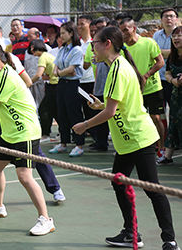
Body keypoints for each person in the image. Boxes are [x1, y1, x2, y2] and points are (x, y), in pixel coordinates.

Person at [72, 26, 179, 250]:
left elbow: (111, 113)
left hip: (139, 138)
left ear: (107, 44)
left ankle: (169, 240)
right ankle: (131, 232)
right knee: (119, 183)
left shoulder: (118, 70)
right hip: (126, 141)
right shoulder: (118, 66)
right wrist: (100, 105)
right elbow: (117, 106)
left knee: (153, 189)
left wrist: (84, 125)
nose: (92, 48)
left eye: (95, 44)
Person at [0, 30, 65, 207]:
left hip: (20, 118)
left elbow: (25, 83)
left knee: (31, 161)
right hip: (5, 115)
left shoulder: (9, 63)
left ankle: (54, 190)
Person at [119, 18, 166, 158]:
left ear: (133, 29)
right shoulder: (122, 50)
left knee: (155, 118)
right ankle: (140, 147)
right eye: (120, 31)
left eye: (125, 30)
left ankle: (161, 148)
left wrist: (146, 76)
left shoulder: (148, 42)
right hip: (135, 92)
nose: (123, 34)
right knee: (137, 120)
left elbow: (160, 62)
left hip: (153, 89)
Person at [49, 21, 86, 157]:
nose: (61, 36)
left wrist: (61, 71)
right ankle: (63, 143)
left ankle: (79, 145)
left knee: (74, 114)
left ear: (71, 33)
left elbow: (72, 69)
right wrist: (61, 72)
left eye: (64, 33)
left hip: (72, 84)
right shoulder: (62, 49)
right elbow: (55, 68)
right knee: (62, 113)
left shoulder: (76, 49)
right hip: (61, 83)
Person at [153, 8, 179, 154]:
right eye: (165, 16)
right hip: (159, 79)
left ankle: (176, 142)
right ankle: (162, 144)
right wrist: (169, 52)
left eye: (171, 16)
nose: (168, 19)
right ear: (161, 20)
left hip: (175, 80)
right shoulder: (156, 35)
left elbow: (169, 52)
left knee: (176, 113)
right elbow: (154, 53)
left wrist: (163, 52)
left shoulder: (179, 33)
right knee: (159, 114)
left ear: (176, 19)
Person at [83, 18, 111, 152]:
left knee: (109, 115)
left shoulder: (116, 63)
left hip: (108, 86)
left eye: (100, 28)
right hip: (99, 85)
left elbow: (110, 111)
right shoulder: (93, 49)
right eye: (93, 30)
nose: (96, 32)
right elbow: (86, 65)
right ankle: (100, 142)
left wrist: (84, 125)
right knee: (98, 112)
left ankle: (105, 143)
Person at [157, 27, 182, 166]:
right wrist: (173, 81)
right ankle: (167, 156)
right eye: (174, 36)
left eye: (179, 36)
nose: (176, 39)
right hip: (176, 96)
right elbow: (167, 73)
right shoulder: (172, 55)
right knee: (174, 124)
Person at [28, 39, 59, 143]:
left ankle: (45, 135)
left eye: (33, 47)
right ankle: (64, 133)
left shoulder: (43, 57)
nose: (31, 50)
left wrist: (27, 84)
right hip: (55, 84)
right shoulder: (47, 56)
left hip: (54, 85)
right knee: (54, 111)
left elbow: (38, 74)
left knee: (43, 109)